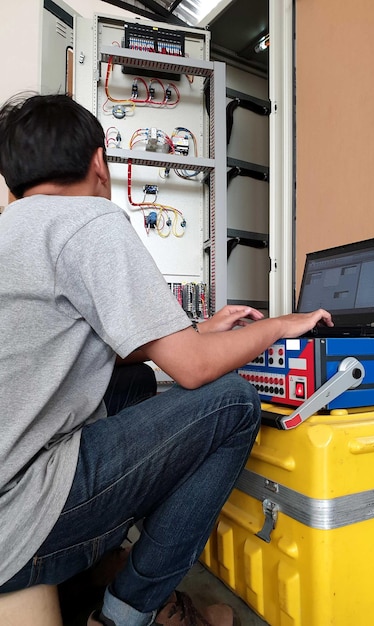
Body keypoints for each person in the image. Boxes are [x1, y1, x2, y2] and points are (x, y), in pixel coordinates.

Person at [0, 93, 333, 626]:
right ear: (98, 163)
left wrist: (192, 331)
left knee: (130, 381)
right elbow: (195, 369)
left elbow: (88, 344)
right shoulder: (89, 221)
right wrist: (278, 326)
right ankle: (131, 612)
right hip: (18, 524)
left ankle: (104, 567)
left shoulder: (11, 226)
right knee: (235, 404)